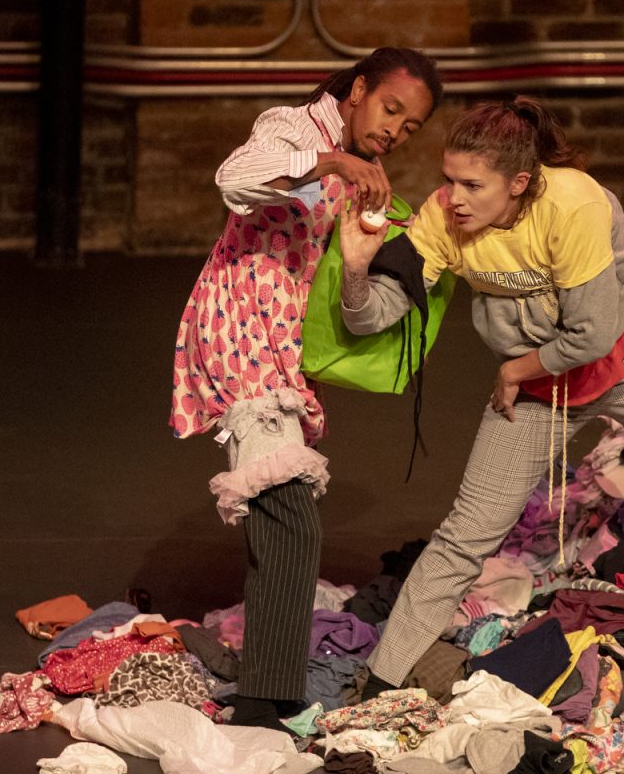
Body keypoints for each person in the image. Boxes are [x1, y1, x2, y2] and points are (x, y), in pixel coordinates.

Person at [338, 95, 624, 695]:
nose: (453, 198)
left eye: (472, 185)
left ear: (520, 183)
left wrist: (512, 371)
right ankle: (382, 678)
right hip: (540, 380)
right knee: (465, 533)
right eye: (448, 180)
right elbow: (370, 318)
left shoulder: (574, 202)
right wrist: (356, 269)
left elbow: (593, 333)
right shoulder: (441, 217)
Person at [168, 47, 443, 731]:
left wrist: (359, 267)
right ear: (357, 91)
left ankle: (271, 681)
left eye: (411, 127)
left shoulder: (368, 177)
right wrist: (329, 163)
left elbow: (353, 307)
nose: (395, 132)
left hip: (285, 342)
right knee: (287, 504)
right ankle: (267, 695)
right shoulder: (292, 129)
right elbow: (235, 179)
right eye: (390, 110)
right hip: (238, 323)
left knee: (282, 511)